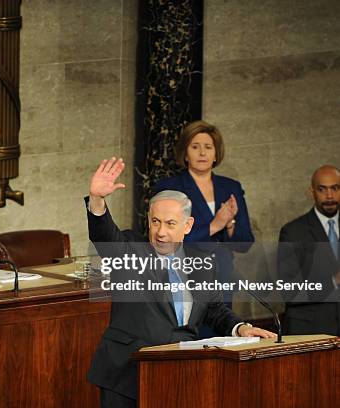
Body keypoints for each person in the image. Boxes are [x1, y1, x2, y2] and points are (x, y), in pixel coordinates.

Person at [87, 157, 274, 407]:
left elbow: (215, 310)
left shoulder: (203, 263)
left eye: (170, 224)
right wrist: (98, 201)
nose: (161, 232)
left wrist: (240, 328)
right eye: (155, 222)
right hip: (128, 375)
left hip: (182, 373)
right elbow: (105, 238)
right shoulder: (132, 251)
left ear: (188, 225)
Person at [154, 121, 255, 314]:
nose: (202, 153)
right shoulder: (170, 187)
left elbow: (246, 243)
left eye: (208, 147)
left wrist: (230, 224)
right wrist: (214, 225)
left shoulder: (231, 188)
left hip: (223, 279)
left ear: (216, 154)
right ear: (185, 153)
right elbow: (167, 241)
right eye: (195, 147)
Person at [278, 165, 340, 335]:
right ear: (312, 192)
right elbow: (288, 291)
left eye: (335, 188)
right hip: (312, 332)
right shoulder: (293, 232)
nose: (329, 195)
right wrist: (333, 281)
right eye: (322, 189)